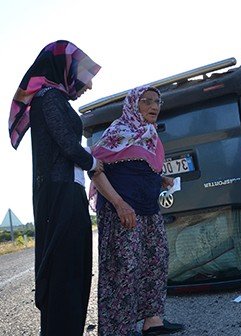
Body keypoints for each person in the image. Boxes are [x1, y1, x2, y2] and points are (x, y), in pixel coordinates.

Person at [9, 41, 101, 335]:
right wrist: (94, 161)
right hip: (59, 194)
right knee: (65, 271)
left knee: (73, 268)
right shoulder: (49, 98)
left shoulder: (55, 98)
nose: (88, 86)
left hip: (66, 192)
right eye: (86, 76)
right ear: (67, 68)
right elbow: (67, 144)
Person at [90, 86, 185, 335]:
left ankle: (153, 322)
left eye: (157, 101)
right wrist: (119, 204)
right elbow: (95, 170)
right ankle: (117, 329)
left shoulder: (150, 135)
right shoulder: (118, 131)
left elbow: (139, 167)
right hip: (121, 212)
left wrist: (161, 178)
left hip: (149, 211)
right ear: (133, 104)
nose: (154, 106)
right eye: (147, 101)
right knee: (123, 268)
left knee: (155, 262)